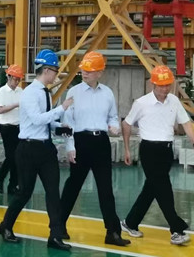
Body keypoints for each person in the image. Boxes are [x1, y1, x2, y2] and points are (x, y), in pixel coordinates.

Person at [0, 49, 74, 251]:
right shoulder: (30, 93)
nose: (56, 74)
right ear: (47, 70)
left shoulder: (45, 92)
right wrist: (62, 109)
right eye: (55, 70)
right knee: (24, 193)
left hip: (46, 148)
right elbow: (37, 119)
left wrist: (60, 127)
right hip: (28, 149)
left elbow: (45, 122)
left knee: (53, 192)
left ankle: (55, 236)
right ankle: (6, 225)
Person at [120, 65, 194, 246]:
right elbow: (126, 124)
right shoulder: (141, 103)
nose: (165, 89)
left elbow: (186, 123)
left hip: (166, 150)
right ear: (153, 84)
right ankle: (176, 229)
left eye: (168, 85)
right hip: (149, 150)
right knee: (164, 189)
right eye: (161, 85)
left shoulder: (174, 101)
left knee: (152, 189)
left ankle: (130, 222)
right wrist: (126, 148)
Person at [60, 51, 130, 246]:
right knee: (73, 186)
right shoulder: (73, 93)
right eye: (83, 69)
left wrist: (114, 126)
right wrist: (70, 147)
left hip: (101, 142)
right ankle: (58, 225)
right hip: (80, 142)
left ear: (100, 72)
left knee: (106, 188)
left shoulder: (107, 93)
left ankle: (112, 232)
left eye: (89, 70)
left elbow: (112, 116)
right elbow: (67, 122)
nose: (85, 73)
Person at [0, 64, 24, 195]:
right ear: (9, 77)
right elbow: (0, 110)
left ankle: (12, 184)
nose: (16, 82)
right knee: (11, 156)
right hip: (6, 127)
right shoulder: (1, 92)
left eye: (18, 80)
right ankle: (1, 178)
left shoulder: (21, 91)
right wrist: (16, 105)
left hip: (19, 127)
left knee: (17, 157)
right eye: (15, 79)